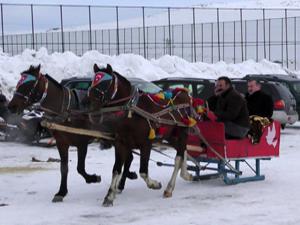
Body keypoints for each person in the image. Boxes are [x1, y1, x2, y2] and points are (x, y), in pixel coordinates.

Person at [245, 79, 274, 144]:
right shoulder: (246, 97)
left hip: (260, 120)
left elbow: (269, 113)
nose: (249, 88)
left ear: (258, 86)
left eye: (251, 86)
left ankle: (254, 139)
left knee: (254, 120)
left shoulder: (266, 98)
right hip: (246, 120)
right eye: (248, 86)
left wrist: (254, 116)